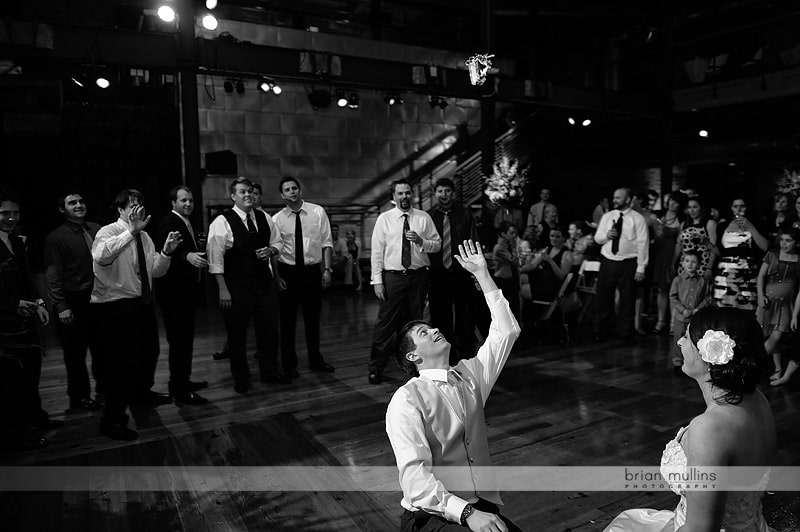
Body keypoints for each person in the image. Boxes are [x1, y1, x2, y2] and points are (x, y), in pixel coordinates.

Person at [385, 239, 523, 532]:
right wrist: (466, 514)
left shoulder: (470, 375)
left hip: (480, 503)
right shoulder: (406, 400)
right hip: (433, 512)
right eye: (424, 332)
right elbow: (414, 481)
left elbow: (506, 332)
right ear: (413, 356)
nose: (435, 329)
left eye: (432, 326)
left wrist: (483, 275)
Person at [603, 306, 776, 532]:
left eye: (686, 336)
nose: (680, 343)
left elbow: (700, 529)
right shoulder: (758, 399)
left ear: (709, 353)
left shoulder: (710, 429)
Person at [91, 189, 180, 440]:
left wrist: (167, 253)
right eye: (131, 205)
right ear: (119, 210)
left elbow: (156, 272)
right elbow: (100, 256)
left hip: (142, 304)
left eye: (139, 204)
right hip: (116, 306)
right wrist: (131, 231)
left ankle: (142, 395)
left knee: (149, 352)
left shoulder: (146, 236)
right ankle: (112, 420)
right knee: (122, 365)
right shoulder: (108, 231)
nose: (136, 209)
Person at [208, 177, 289, 393]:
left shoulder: (265, 218)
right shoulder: (222, 221)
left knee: (269, 330)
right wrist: (223, 289)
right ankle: (241, 378)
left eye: (251, 192)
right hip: (237, 285)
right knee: (237, 334)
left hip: (263, 284)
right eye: (243, 192)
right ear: (233, 196)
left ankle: (270, 371)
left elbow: (278, 242)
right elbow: (215, 258)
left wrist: (272, 251)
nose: (248, 195)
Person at [0, 187, 59, 452]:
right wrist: (14, 305)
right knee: (10, 383)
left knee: (31, 373)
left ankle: (35, 417)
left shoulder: (14, 240)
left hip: (25, 321)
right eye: (4, 213)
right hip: (4, 327)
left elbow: (26, 278)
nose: (11, 218)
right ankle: (16, 435)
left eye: (15, 213)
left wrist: (38, 303)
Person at [368, 179, 441, 384]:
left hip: (418, 276)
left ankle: (415, 366)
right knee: (385, 324)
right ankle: (376, 367)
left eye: (407, 193)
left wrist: (420, 241)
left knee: (414, 324)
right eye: (400, 193)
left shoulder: (423, 218)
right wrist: (377, 281)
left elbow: (436, 245)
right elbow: (377, 252)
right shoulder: (385, 219)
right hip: (393, 277)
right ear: (394, 197)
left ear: (412, 195)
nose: (404, 197)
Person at [43, 191, 103, 411]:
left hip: (99, 298)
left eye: (81, 201)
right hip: (74, 300)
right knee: (75, 354)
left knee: (101, 349)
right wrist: (62, 306)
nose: (79, 205)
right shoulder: (56, 238)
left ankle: (103, 391)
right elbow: (53, 275)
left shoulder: (96, 229)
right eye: (72, 203)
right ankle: (79, 397)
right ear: (62, 209)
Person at [272, 176, 336, 377]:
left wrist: (326, 270)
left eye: (294, 188)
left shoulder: (317, 212)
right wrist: (276, 277)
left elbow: (327, 243)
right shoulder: (277, 219)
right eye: (287, 190)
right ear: (282, 195)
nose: (292, 191)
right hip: (288, 272)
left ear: (300, 190)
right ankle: (289, 364)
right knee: (287, 322)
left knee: (312, 319)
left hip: (311, 272)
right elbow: (274, 250)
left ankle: (316, 359)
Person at [154, 186, 209, 405]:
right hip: (174, 297)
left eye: (191, 200)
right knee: (179, 343)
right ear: (173, 203)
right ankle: (179, 389)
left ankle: (182, 381)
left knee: (185, 342)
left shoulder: (186, 222)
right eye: (183, 200)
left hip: (186, 295)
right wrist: (186, 255)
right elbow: (164, 250)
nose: (188, 204)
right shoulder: (170, 222)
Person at [427, 177, 479, 361]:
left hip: (461, 273)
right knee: (440, 318)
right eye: (440, 191)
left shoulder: (464, 213)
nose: (444, 195)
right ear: (435, 194)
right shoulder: (429, 216)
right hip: (437, 274)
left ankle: (467, 355)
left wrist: (474, 271)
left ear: (453, 193)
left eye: (447, 191)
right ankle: (445, 356)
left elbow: (473, 241)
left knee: (465, 316)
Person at [593, 188, 649, 343]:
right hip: (608, 260)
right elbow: (597, 238)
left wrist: (641, 267)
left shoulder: (638, 219)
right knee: (603, 297)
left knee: (627, 299)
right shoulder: (607, 216)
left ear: (628, 199)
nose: (615, 200)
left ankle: (625, 332)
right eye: (614, 197)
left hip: (629, 263)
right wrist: (606, 236)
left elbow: (643, 244)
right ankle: (601, 330)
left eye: (618, 198)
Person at [756, 227, 800, 382]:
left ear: (797, 242)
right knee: (768, 335)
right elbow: (760, 277)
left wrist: (795, 314)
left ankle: (752, 365)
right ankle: (777, 369)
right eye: (782, 240)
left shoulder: (798, 259)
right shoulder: (773, 255)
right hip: (768, 302)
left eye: (788, 241)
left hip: (785, 305)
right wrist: (760, 296)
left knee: (776, 336)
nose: (784, 243)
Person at [713, 197, 769, 311]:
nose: (738, 209)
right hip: (726, 272)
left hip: (747, 271)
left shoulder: (757, 223)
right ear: (731, 208)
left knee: (745, 307)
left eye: (742, 206)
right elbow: (720, 251)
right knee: (724, 309)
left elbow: (765, 246)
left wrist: (750, 226)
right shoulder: (723, 225)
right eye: (735, 206)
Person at [669, 250, 712, 372]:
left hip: (694, 318)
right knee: (678, 339)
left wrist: (698, 309)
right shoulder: (678, 280)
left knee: (693, 340)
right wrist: (682, 310)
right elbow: (673, 296)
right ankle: (677, 362)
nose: (690, 264)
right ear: (682, 263)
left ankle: (692, 363)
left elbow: (707, 298)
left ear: (698, 265)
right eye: (687, 261)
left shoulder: (702, 281)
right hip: (681, 318)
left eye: (693, 262)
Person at [651, 191, 687, 333]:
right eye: (671, 200)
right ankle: (660, 321)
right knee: (662, 289)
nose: (672, 204)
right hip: (659, 255)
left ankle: (674, 322)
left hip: (674, 256)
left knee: (675, 290)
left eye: (676, 202)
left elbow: (680, 240)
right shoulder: (659, 216)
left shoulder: (682, 219)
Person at [674, 195, 717, 280]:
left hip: (702, 266)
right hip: (684, 267)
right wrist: (673, 264)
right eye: (689, 207)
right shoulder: (684, 224)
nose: (692, 210)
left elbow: (714, 248)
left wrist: (709, 268)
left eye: (695, 207)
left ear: (701, 208)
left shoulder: (709, 223)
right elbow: (679, 245)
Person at [492, 221, 519, 319]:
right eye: (511, 233)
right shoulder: (499, 248)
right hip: (503, 282)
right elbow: (513, 260)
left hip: (511, 281)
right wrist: (515, 246)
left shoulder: (507, 247)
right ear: (503, 234)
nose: (514, 236)